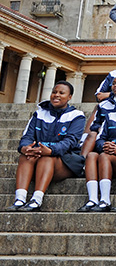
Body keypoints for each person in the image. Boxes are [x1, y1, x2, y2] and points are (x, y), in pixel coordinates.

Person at [8, 81, 85, 211]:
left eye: (61, 93)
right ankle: (20, 199)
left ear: (70, 97)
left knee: (47, 158)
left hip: (65, 160)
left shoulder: (77, 116)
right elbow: (27, 136)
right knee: (25, 157)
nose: (56, 95)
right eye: (54, 92)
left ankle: (36, 200)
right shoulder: (39, 113)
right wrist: (25, 147)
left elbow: (71, 141)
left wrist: (50, 150)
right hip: (38, 155)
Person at [83, 74, 116, 157]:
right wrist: (99, 128)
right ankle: (81, 162)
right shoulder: (103, 105)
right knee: (92, 134)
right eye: (113, 83)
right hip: (103, 135)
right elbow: (95, 124)